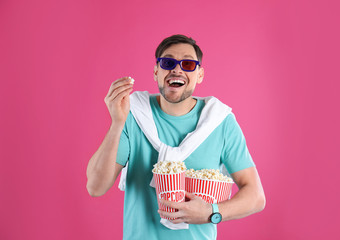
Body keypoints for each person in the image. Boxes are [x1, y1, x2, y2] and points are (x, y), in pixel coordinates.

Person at [86, 34, 265, 240]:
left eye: (188, 64)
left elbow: (255, 197)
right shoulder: (133, 115)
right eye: (168, 62)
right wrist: (117, 123)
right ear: (156, 71)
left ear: (200, 75)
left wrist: (211, 212)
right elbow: (95, 187)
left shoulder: (220, 122)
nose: (177, 70)